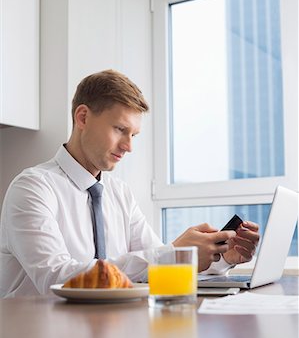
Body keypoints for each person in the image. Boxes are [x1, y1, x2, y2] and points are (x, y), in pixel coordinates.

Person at [0, 70, 259, 297]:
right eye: (119, 129)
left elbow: (157, 268)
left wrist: (222, 256)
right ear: (82, 118)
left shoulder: (119, 192)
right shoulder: (32, 188)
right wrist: (172, 254)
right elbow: (55, 279)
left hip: (110, 331)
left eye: (133, 135)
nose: (128, 146)